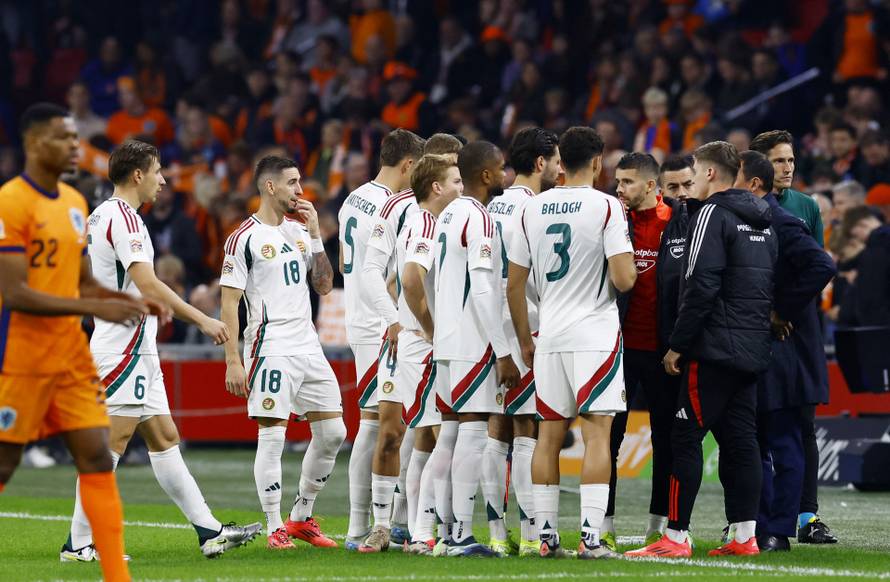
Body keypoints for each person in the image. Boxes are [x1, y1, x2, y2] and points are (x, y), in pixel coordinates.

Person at [62, 140, 261, 560]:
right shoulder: (128, 221)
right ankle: (78, 543)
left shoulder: (101, 215)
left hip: (133, 345)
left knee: (165, 437)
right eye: (157, 172)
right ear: (138, 175)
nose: (163, 180)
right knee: (110, 445)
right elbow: (149, 283)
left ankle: (209, 532)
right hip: (125, 348)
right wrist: (203, 319)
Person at [0, 103, 150, 582]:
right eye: (63, 137)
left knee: (96, 457)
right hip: (20, 357)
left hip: (70, 359)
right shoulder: (11, 202)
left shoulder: (72, 202)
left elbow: (83, 284)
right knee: (5, 466)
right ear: (33, 144)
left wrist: (127, 301)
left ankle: (115, 576)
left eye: (74, 137)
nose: (74, 146)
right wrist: (96, 309)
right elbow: (16, 293)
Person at [627, 141, 777, 559]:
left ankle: (675, 537)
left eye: (694, 171)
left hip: (710, 348)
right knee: (742, 441)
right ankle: (744, 535)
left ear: (711, 174)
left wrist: (678, 345)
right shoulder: (763, 219)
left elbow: (700, 283)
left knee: (684, 436)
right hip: (751, 348)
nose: (689, 180)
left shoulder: (711, 213)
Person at [507, 126, 635, 560]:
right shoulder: (607, 207)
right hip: (595, 334)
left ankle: (544, 538)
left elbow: (514, 283)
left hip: (551, 335)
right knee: (598, 436)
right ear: (598, 162)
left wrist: (526, 339)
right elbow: (623, 277)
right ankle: (592, 539)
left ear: (562, 161)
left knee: (548, 437)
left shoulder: (533, 208)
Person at [220, 156, 346, 550]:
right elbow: (229, 305)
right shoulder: (244, 237)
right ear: (270, 187)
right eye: (292, 182)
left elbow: (324, 286)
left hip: (308, 344)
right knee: (272, 435)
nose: (300, 189)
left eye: (300, 181)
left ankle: (300, 518)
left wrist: (315, 234)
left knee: (333, 433)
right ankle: (274, 524)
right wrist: (233, 359)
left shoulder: (298, 231)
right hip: (270, 346)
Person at [734, 150, 836, 552]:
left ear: (753, 183)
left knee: (783, 440)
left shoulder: (780, 220)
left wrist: (782, 308)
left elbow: (822, 265)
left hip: (783, 350)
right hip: (760, 347)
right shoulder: (756, 218)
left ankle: (777, 529)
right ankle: (760, 526)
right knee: (758, 439)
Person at [337, 129, 424, 550]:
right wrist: (393, 317)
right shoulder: (399, 206)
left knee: (375, 424)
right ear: (409, 165)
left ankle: (369, 523)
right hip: (383, 324)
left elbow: (343, 262)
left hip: (358, 317)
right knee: (380, 426)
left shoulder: (353, 199)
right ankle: (365, 525)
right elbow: (390, 272)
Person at [433, 140, 520, 557]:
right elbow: (484, 287)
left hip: (447, 340)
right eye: (501, 169)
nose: (505, 175)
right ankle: (461, 535)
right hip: (473, 340)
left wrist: (439, 328)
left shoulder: (447, 213)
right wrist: (503, 351)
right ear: (486, 176)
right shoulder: (481, 218)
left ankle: (445, 531)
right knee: (471, 434)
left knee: (451, 434)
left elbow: (430, 279)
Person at [486, 127, 561, 556]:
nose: (558, 168)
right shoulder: (536, 209)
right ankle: (533, 537)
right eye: (554, 161)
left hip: (489, 331)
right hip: (525, 328)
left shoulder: (493, 206)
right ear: (540, 163)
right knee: (527, 428)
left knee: (496, 430)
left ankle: (498, 537)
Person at [605, 152, 678, 550]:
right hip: (617, 348)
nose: (619, 188)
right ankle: (604, 523)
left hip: (663, 352)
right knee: (609, 438)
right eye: (618, 181)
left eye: (628, 182)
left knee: (665, 440)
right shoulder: (614, 219)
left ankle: (659, 525)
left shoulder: (677, 222)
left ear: (651, 186)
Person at [397, 154, 463, 554]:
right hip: (424, 348)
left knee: (426, 440)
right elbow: (408, 278)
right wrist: (431, 327)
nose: (461, 186)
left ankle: (420, 528)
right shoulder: (425, 222)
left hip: (416, 344)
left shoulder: (423, 221)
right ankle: (429, 531)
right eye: (455, 180)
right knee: (445, 436)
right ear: (436, 187)